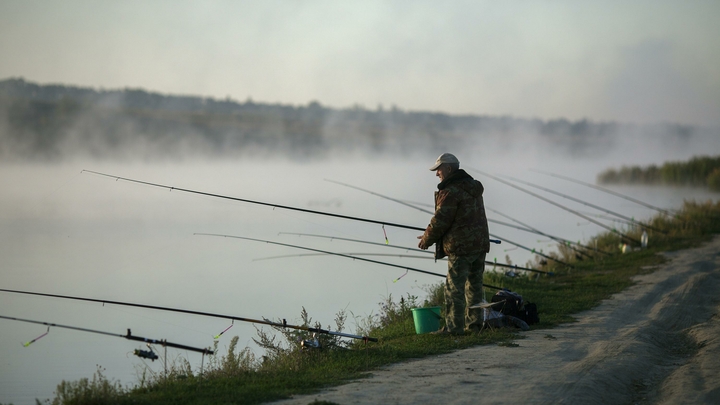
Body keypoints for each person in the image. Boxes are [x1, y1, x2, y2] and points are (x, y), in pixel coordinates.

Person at [418, 153, 490, 335]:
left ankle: (453, 329)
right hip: (479, 245)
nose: (437, 174)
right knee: (475, 287)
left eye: (439, 170)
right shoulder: (472, 186)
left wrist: (426, 239)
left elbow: (441, 220)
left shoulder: (451, 191)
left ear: (449, 169)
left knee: (454, 289)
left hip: (461, 247)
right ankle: (474, 326)